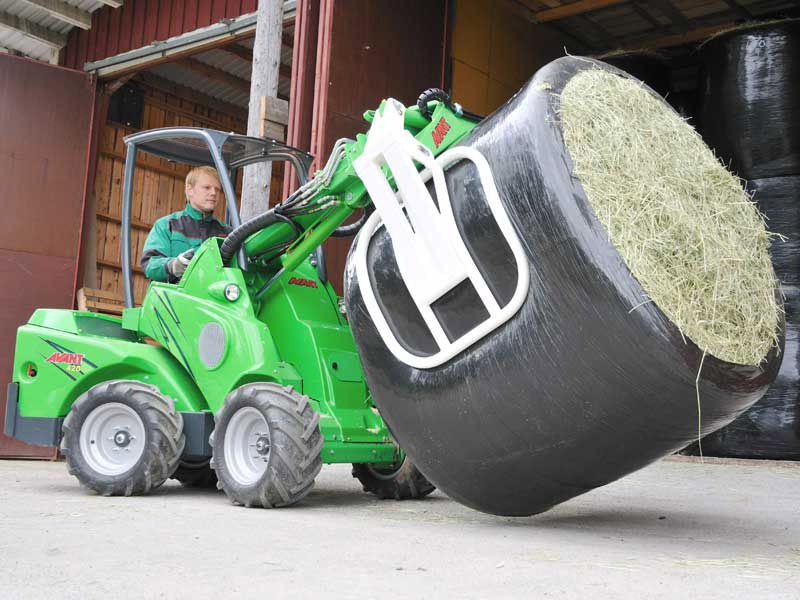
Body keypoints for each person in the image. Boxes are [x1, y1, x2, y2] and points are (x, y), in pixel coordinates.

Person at [141, 166, 231, 282]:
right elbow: (150, 264)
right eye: (207, 187)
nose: (213, 193)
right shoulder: (167, 225)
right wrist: (173, 265)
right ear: (190, 190)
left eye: (217, 189)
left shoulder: (227, 233)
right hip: (174, 292)